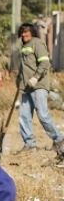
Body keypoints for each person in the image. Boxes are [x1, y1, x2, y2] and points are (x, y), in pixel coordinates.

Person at [13, 23, 64, 161]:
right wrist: (19, 82)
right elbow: (24, 68)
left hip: (39, 85)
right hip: (26, 87)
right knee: (24, 116)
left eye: (27, 32)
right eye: (22, 32)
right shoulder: (23, 46)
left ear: (32, 33)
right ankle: (29, 144)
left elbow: (45, 63)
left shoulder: (37, 43)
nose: (24, 35)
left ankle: (59, 139)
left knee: (42, 114)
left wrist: (36, 77)